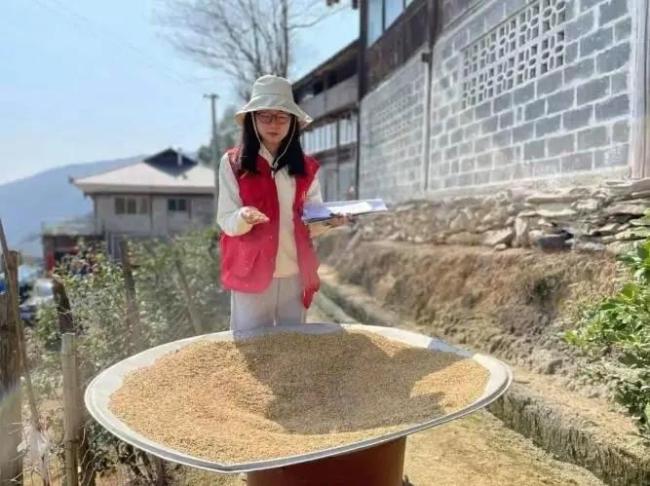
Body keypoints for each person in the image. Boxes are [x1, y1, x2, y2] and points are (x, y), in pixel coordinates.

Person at [217, 74, 345, 331]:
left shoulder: (306, 168)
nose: (274, 123)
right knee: (253, 345)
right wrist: (243, 217)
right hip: (251, 272)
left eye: (282, 117)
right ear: (252, 119)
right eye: (265, 116)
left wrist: (329, 222)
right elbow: (226, 218)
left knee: (293, 345)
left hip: (295, 274)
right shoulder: (233, 163)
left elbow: (310, 222)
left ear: (293, 122)